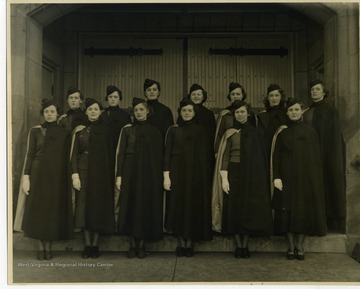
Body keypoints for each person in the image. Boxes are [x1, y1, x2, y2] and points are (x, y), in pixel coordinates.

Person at [212, 100, 273, 259]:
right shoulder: (230, 133)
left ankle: (245, 245)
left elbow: (260, 158)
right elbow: (225, 156)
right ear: (234, 115)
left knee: (247, 210)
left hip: (251, 174)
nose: (240, 115)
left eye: (242, 112)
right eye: (237, 112)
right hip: (233, 173)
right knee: (234, 210)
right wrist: (224, 177)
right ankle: (238, 245)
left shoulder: (256, 132)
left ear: (248, 113)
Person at [14, 99, 73, 260]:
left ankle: (49, 247)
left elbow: (65, 158)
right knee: (39, 211)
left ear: (57, 114)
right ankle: (41, 248)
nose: (49, 114)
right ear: (43, 114)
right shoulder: (35, 131)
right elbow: (30, 154)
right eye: (46, 111)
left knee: (51, 212)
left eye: (52, 111)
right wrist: (26, 176)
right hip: (37, 174)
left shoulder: (63, 133)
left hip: (55, 176)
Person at [271, 98, 326, 261]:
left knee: (302, 212)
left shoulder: (310, 132)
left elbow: (315, 159)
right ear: (287, 113)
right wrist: (277, 177)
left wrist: (313, 179)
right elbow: (276, 157)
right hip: (286, 178)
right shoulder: (282, 133)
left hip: (305, 179)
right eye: (290, 110)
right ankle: (290, 246)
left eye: (296, 109)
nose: (294, 112)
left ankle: (300, 246)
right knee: (286, 211)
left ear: (301, 111)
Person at [163, 98, 212, 257]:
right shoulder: (173, 130)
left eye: (190, 110)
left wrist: (201, 177)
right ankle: (180, 243)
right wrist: (166, 175)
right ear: (180, 112)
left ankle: (189, 243)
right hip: (177, 174)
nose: (186, 113)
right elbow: (167, 154)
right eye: (184, 110)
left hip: (194, 175)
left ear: (194, 113)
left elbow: (203, 156)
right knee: (178, 206)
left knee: (190, 207)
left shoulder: (200, 131)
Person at [115, 97, 164, 259]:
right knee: (131, 206)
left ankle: (142, 245)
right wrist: (120, 176)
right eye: (136, 110)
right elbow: (121, 154)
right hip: (130, 174)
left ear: (147, 111)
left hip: (148, 175)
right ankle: (132, 244)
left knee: (143, 208)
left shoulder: (155, 131)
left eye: (141, 110)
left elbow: (159, 157)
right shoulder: (127, 130)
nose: (139, 113)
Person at [70, 98, 115, 259]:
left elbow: (110, 154)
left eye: (96, 109)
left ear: (100, 111)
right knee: (84, 209)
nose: (93, 111)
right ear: (86, 111)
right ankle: (87, 245)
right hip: (83, 171)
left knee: (96, 208)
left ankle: (95, 245)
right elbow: (74, 154)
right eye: (90, 109)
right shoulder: (79, 130)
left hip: (100, 173)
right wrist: (75, 174)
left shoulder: (105, 129)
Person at [303, 79, 346, 232]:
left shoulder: (330, 110)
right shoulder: (307, 111)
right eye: (312, 89)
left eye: (317, 89)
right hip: (312, 155)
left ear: (323, 92)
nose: (314, 91)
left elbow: (332, 136)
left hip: (326, 155)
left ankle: (328, 222)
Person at [185, 83, 216, 177]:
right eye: (193, 94)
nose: (196, 96)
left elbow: (212, 134)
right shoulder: (185, 112)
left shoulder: (209, 114)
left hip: (204, 151)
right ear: (190, 96)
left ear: (203, 96)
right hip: (188, 150)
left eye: (199, 94)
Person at [214, 82, 249, 152]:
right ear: (229, 96)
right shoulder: (224, 114)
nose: (235, 96)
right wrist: (217, 152)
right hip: (228, 151)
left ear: (243, 95)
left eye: (238, 94)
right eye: (233, 94)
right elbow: (219, 135)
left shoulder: (250, 113)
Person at [257, 84, 288, 154]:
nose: (274, 98)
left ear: (281, 97)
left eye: (277, 95)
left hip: (284, 150)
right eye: (271, 96)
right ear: (268, 98)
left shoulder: (287, 114)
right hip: (267, 151)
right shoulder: (262, 116)